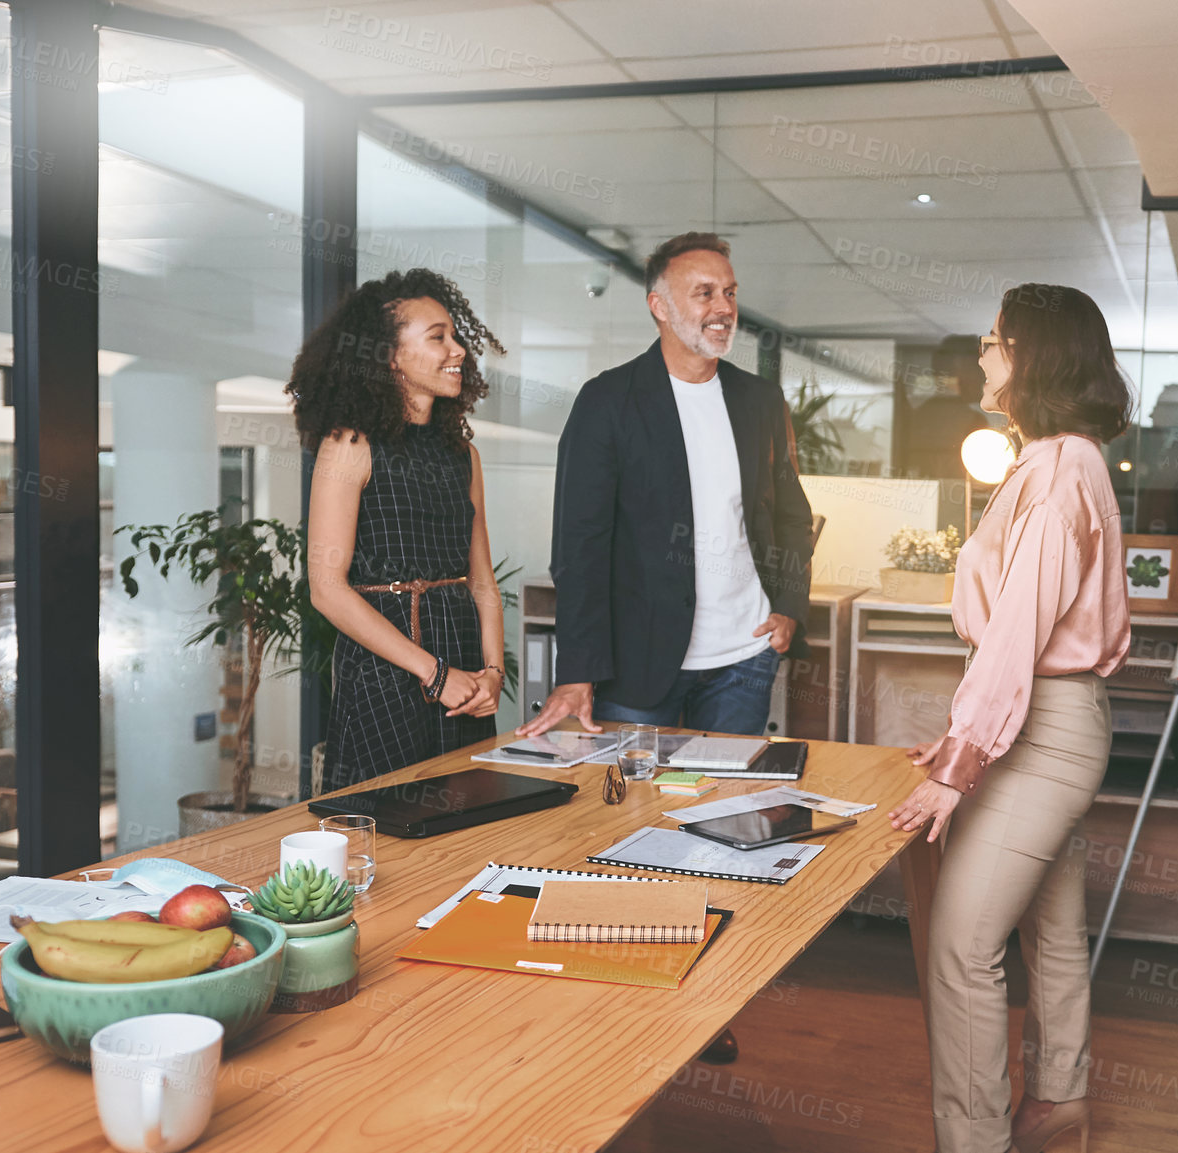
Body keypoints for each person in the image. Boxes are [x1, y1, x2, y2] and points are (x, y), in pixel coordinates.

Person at [888, 284, 1133, 1153]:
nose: (983, 356)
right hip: (1049, 721)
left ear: (1032, 355)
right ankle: (1059, 1102)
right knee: (1052, 924)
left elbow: (1018, 628)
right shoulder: (1062, 458)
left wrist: (963, 758)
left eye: (995, 341)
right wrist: (969, 734)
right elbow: (1016, 638)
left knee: (961, 945)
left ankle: (976, 1140)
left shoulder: (1065, 465)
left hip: (1046, 730)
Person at [518, 232, 815, 740]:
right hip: (636, 666)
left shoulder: (760, 400)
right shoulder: (607, 402)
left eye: (730, 292)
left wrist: (789, 604)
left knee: (724, 810)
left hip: (743, 660)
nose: (724, 307)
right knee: (630, 811)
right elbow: (580, 544)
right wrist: (577, 669)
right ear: (659, 305)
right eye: (705, 293)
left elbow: (791, 513)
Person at [290, 267, 508, 790]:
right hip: (383, 674)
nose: (457, 349)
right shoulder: (350, 445)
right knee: (382, 822)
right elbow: (326, 590)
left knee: (472, 819)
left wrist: (493, 675)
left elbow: (482, 583)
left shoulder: (465, 456)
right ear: (389, 356)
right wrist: (433, 674)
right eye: (438, 338)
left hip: (465, 672)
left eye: (455, 336)